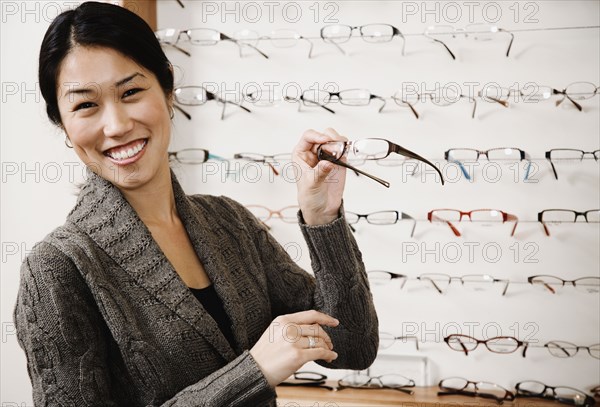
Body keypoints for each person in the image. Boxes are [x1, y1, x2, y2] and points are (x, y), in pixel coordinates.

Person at [13, 2, 379, 406]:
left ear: (168, 90)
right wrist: (252, 371)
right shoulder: (57, 267)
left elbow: (351, 345)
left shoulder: (229, 222)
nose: (115, 125)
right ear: (62, 123)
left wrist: (322, 215)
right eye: (85, 105)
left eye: (131, 92)